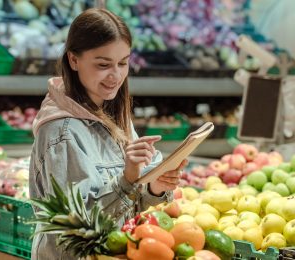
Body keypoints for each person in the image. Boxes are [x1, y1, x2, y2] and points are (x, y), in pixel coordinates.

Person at [29, 7, 187, 259]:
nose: (116, 76)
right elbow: (76, 228)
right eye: (103, 64)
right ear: (73, 60)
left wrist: (154, 187)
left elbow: (127, 213)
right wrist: (127, 179)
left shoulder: (114, 115)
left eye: (123, 63)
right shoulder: (62, 132)